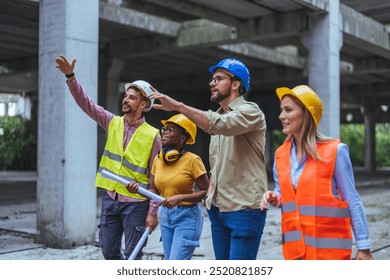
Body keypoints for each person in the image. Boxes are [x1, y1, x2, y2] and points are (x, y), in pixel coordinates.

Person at [148, 58, 268, 260]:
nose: (211, 83)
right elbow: (217, 165)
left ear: (236, 84)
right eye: (212, 79)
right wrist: (210, 198)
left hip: (244, 209)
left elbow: (220, 124)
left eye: (218, 79)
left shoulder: (250, 111)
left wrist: (177, 106)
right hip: (219, 209)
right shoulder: (219, 118)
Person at [54, 55, 162, 260]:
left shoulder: (153, 135)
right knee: (108, 251)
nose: (125, 99)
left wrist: (153, 212)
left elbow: (157, 178)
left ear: (143, 105)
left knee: (133, 255)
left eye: (132, 97)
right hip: (111, 199)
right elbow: (86, 104)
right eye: (126, 95)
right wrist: (70, 76)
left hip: (136, 204)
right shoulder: (112, 122)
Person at [260, 85, 373, 260]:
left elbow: (353, 200)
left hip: (328, 256)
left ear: (306, 114)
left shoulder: (336, 151)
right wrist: (274, 196)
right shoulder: (280, 154)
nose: (281, 116)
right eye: (281, 110)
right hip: (294, 252)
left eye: (288, 110)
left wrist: (363, 246)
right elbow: (285, 194)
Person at [127, 114, 209, 260]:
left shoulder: (193, 160)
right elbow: (154, 190)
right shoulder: (158, 159)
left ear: (182, 138)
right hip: (166, 216)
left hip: (188, 217)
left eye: (171, 130)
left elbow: (205, 191)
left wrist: (180, 198)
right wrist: (138, 190)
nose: (165, 132)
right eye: (165, 128)